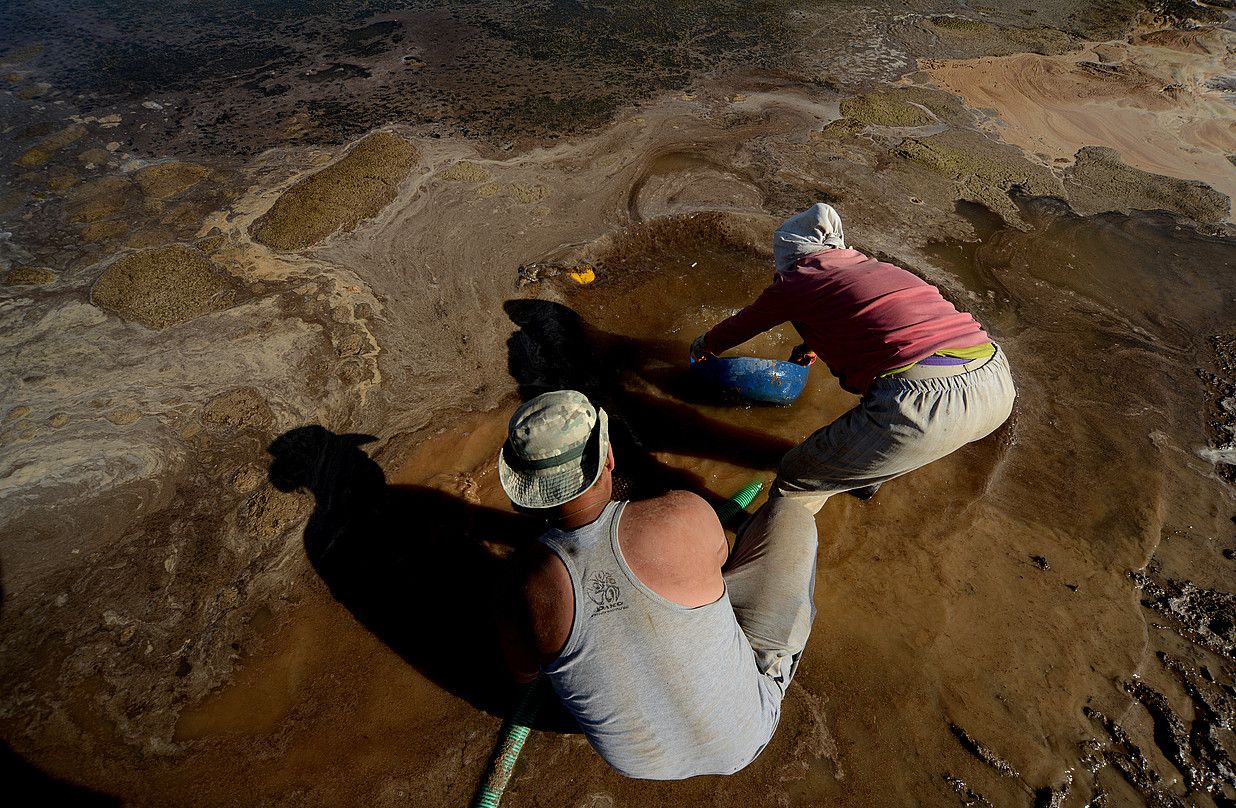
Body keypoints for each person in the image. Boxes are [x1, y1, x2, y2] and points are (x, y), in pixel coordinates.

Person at [496, 390, 818, 780]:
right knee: (790, 515)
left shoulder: (519, 584)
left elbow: (523, 674)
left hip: (641, 765)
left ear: (523, 496)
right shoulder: (680, 511)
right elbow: (721, 562)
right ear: (609, 457)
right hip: (747, 735)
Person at [691, 203, 1016, 512]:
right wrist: (811, 346)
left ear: (790, 256)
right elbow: (874, 318)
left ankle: (766, 556)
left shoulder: (797, 279)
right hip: (997, 382)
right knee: (872, 457)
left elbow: (744, 323)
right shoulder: (877, 268)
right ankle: (860, 485)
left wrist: (705, 345)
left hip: (926, 403)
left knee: (796, 478)